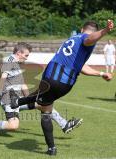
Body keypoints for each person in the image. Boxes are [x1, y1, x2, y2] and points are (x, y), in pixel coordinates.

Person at [8, 20, 114, 155]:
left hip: (52, 75)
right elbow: (89, 39)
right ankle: (51, 148)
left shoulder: (74, 38)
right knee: (46, 109)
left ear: (82, 29)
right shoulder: (84, 38)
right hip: (66, 84)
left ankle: (17, 102)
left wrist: (100, 73)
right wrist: (105, 31)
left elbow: (82, 63)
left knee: (43, 102)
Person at [0, 43, 82, 136]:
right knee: (13, 126)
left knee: (43, 103)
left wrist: (29, 98)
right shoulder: (10, 60)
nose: (27, 57)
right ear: (19, 53)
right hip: (8, 98)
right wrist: (0, 93)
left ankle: (65, 124)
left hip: (18, 98)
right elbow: (3, 76)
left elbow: (22, 84)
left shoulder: (17, 64)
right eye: (26, 55)